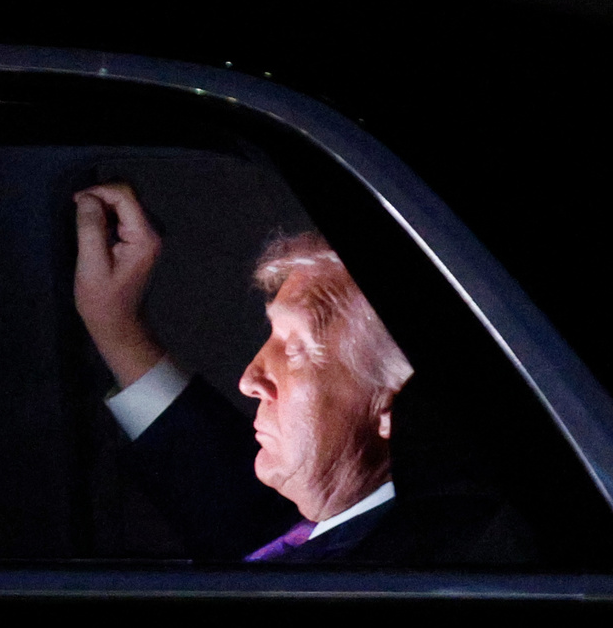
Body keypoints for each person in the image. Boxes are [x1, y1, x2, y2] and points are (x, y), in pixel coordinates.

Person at [74, 182, 415, 561]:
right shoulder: (347, 520)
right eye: (272, 334)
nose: (249, 380)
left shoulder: (379, 571)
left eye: (296, 347)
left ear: (392, 401)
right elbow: (235, 507)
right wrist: (114, 326)